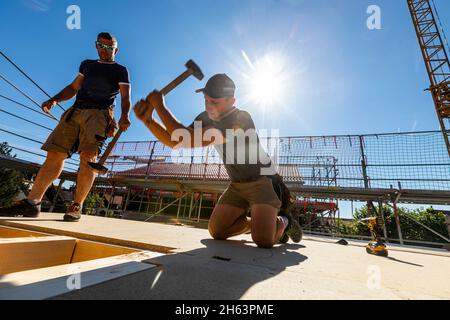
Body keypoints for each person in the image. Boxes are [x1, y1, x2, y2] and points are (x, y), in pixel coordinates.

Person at [134, 73, 302, 248]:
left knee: (263, 240)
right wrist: (148, 121)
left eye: (215, 102)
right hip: (237, 184)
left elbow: (184, 137)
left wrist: (159, 105)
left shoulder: (241, 120)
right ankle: (261, 224)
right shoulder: (204, 118)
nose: (209, 106)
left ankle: (285, 221)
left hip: (263, 181)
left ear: (231, 101)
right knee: (218, 231)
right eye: (206, 100)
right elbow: (175, 141)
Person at [0, 32, 131, 222]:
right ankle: (32, 203)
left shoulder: (120, 70)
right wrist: (54, 99)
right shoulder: (87, 65)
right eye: (101, 46)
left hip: (99, 115)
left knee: (88, 158)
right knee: (54, 154)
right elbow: (73, 87)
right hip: (75, 111)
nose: (105, 50)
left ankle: (76, 205)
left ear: (116, 49)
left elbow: (126, 96)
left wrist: (125, 115)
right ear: (96, 46)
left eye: (109, 47)